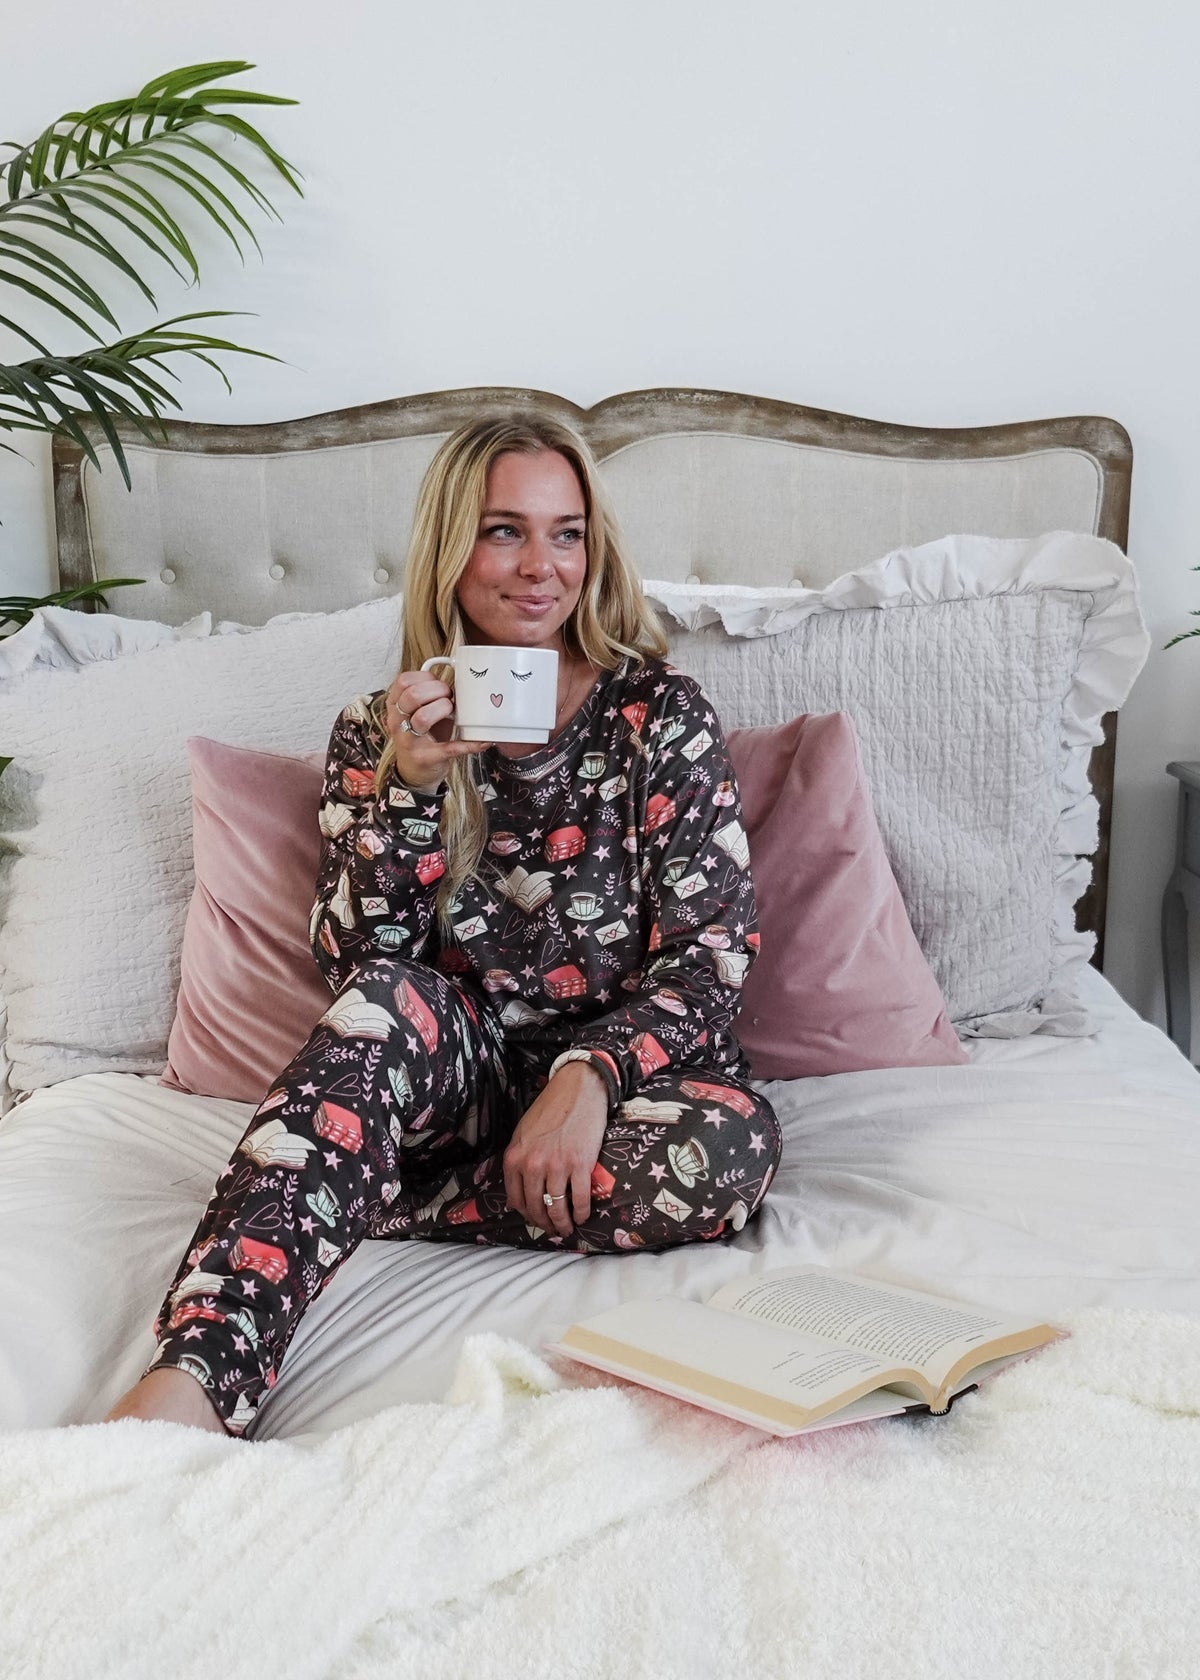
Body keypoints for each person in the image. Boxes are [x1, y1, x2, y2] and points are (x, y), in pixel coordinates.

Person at [104, 414, 783, 1436]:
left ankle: (353, 1193)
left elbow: (710, 956)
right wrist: (411, 792)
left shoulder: (659, 715)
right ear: (450, 548)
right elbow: (363, 971)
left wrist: (586, 1078)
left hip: (623, 1085)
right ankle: (196, 1379)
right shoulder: (379, 731)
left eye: (567, 533)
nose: (540, 568)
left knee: (725, 1151)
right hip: (452, 1079)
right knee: (384, 1007)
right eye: (504, 531)